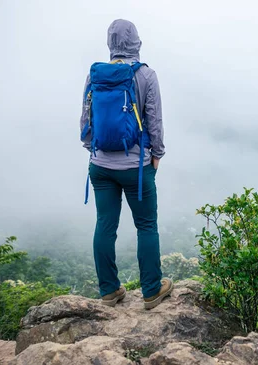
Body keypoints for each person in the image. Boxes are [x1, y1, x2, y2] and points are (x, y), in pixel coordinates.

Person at [79, 19, 173, 309]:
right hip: (137, 169)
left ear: (110, 43)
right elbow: (154, 121)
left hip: (100, 166)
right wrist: (156, 155)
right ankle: (151, 291)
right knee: (146, 226)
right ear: (136, 41)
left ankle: (109, 291)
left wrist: (94, 151)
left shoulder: (95, 74)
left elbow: (86, 120)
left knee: (105, 224)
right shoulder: (145, 75)